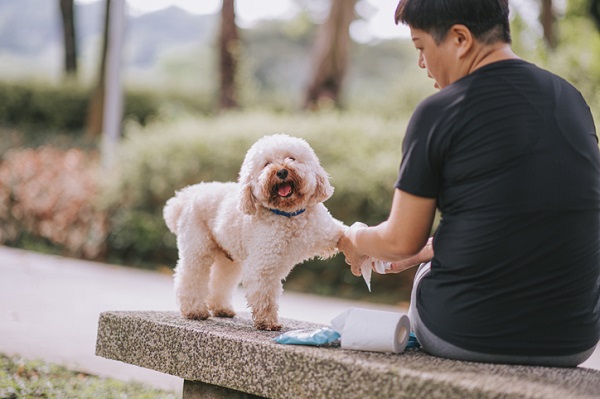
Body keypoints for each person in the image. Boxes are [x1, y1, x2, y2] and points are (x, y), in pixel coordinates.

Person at [338, 0, 600, 367]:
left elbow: (399, 241)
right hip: (574, 340)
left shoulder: (440, 111)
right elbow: (526, 219)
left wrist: (355, 238)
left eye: (421, 47)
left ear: (460, 38)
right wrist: (429, 248)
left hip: (464, 334)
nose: (421, 62)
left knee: (427, 274)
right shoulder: (570, 98)